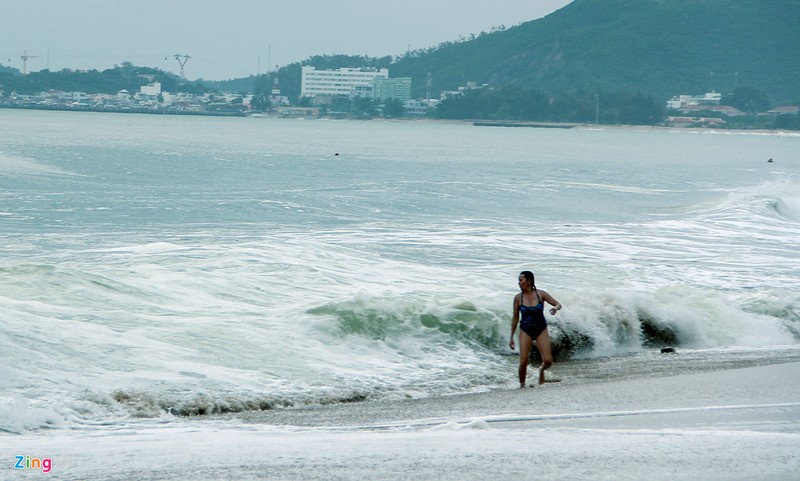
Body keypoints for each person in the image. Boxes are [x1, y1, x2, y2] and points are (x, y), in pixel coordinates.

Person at [509, 270, 562, 388]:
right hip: (525, 329)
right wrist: (512, 337)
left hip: (541, 329)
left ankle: (541, 371)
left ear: (529, 281)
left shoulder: (541, 294)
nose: (519, 283)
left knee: (548, 361)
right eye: (519, 280)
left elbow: (558, 304)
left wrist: (555, 309)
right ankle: (522, 386)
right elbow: (515, 318)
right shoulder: (518, 298)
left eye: (521, 280)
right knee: (523, 362)